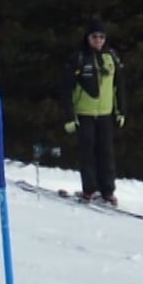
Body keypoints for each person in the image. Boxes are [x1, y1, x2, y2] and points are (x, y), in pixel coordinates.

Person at [61, 19, 123, 205]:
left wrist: (120, 111)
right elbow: (65, 88)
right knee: (87, 152)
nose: (98, 40)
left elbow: (119, 86)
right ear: (88, 38)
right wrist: (69, 116)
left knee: (106, 152)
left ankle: (108, 191)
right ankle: (90, 189)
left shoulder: (111, 56)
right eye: (94, 36)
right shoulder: (78, 58)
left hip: (105, 113)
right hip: (84, 113)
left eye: (101, 37)